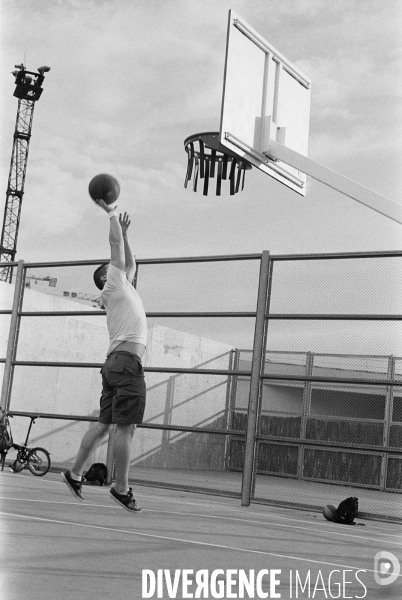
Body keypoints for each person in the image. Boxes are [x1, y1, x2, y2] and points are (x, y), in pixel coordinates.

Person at [61, 199, 147, 512]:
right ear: (108, 273)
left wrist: (125, 234)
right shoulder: (113, 282)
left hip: (115, 365)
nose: (122, 262)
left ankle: (74, 473)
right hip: (125, 365)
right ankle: (121, 488)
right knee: (126, 429)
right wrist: (111, 213)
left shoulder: (124, 286)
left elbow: (131, 262)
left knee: (102, 425)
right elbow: (116, 252)